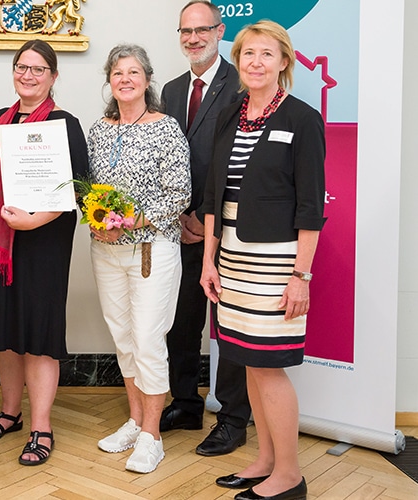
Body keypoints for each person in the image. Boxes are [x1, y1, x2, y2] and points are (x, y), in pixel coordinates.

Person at [201, 20, 324, 500]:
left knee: (269, 366)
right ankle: (267, 460)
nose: (256, 62)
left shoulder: (302, 119)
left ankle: (290, 475)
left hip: (276, 262)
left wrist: (301, 276)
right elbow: (214, 195)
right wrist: (209, 260)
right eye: (248, 53)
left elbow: (310, 207)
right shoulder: (229, 115)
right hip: (232, 257)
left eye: (266, 54)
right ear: (238, 61)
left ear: (284, 62)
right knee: (248, 362)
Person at [0, 39, 88, 467]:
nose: (27, 75)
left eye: (37, 69)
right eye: (21, 67)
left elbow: (78, 190)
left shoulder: (65, 124)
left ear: (53, 76)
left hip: (41, 245)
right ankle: (10, 413)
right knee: (7, 332)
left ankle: (41, 427)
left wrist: (34, 220)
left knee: (37, 336)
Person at [88, 44, 191, 474]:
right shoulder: (99, 130)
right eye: (118, 73)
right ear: (109, 82)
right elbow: (88, 189)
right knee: (124, 339)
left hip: (151, 249)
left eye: (133, 72)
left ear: (147, 80)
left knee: (149, 340)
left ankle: (152, 436)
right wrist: (96, 220)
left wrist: (132, 219)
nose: (125, 79)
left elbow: (179, 193)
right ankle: (134, 422)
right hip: (105, 251)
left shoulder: (166, 128)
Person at [159, 0, 251, 457]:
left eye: (202, 30)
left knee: (229, 325)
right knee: (181, 321)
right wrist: (178, 213)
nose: (193, 38)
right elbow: (163, 156)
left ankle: (233, 420)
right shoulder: (171, 90)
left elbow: (238, 163)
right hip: (179, 228)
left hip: (227, 227)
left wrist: (204, 216)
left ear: (219, 31)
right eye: (185, 31)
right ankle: (185, 403)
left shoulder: (242, 85)